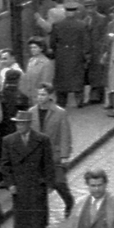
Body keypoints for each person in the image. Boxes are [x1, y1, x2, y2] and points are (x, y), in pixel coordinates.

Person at [2, 108, 54, 228]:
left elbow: (48, 162)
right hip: (19, 185)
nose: (19, 126)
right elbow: (5, 165)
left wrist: (49, 183)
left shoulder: (42, 140)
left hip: (37, 183)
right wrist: (10, 183)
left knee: (38, 213)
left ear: (29, 124)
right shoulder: (8, 141)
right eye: (18, 124)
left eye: (22, 124)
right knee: (21, 217)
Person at [32, 84, 76, 218]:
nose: (40, 97)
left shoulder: (60, 112)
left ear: (50, 96)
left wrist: (64, 155)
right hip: (37, 155)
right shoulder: (31, 112)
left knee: (58, 182)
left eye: (43, 94)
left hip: (54, 154)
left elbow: (65, 134)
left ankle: (69, 202)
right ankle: (40, 213)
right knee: (39, 185)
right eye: (38, 94)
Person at [51, 0, 90, 108]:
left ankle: (62, 101)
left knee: (61, 78)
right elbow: (86, 41)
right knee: (77, 77)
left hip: (62, 54)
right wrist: (86, 54)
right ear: (76, 11)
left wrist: (55, 52)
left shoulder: (57, 25)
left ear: (65, 11)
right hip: (76, 53)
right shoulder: (82, 25)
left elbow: (52, 42)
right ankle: (79, 100)